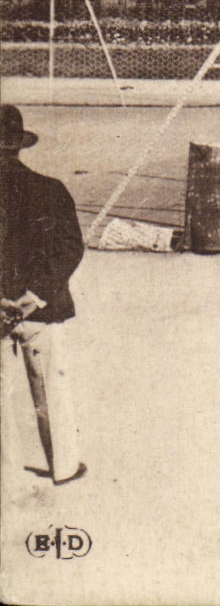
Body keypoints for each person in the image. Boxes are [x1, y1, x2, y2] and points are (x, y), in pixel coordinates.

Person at [1, 105, 88, 486]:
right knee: (51, 390)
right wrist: (33, 296)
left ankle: (4, 473)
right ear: (19, 145)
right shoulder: (50, 189)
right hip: (40, 309)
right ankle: (64, 467)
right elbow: (70, 249)